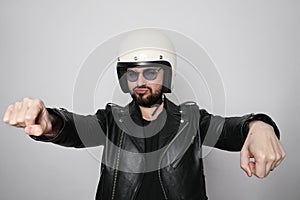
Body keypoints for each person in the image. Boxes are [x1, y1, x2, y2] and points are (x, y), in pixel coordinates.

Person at [3, 29, 285, 200]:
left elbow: (235, 130)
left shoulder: (192, 120)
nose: (140, 82)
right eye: (132, 74)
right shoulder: (111, 120)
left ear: (167, 74)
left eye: (150, 72)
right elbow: (73, 128)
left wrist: (259, 126)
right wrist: (48, 121)